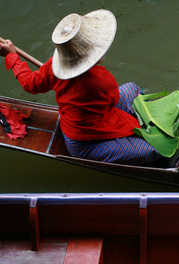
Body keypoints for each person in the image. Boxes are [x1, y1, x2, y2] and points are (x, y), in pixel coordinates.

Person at [0, 9, 166, 166]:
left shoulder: (53, 67)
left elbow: (29, 83)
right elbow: (112, 101)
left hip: (87, 119)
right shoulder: (103, 80)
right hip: (85, 141)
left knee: (132, 89)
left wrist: (12, 55)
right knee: (152, 150)